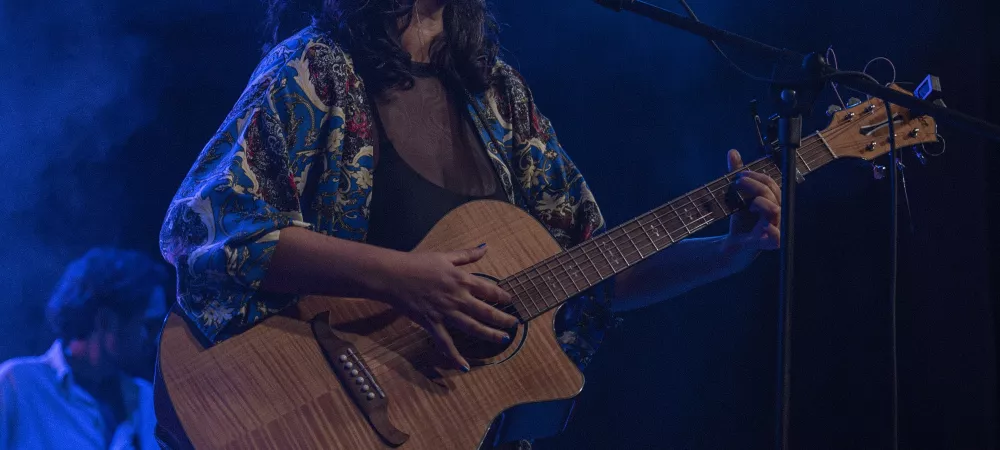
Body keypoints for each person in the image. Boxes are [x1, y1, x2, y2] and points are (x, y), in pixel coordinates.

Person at [158, 0, 781, 446]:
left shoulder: (499, 97)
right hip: (298, 401)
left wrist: (725, 254)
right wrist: (403, 279)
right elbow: (210, 231)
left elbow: (593, 269)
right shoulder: (313, 70)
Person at [0, 248, 168, 450]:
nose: (157, 339)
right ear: (106, 321)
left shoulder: (148, 400)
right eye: (149, 326)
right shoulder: (16, 384)